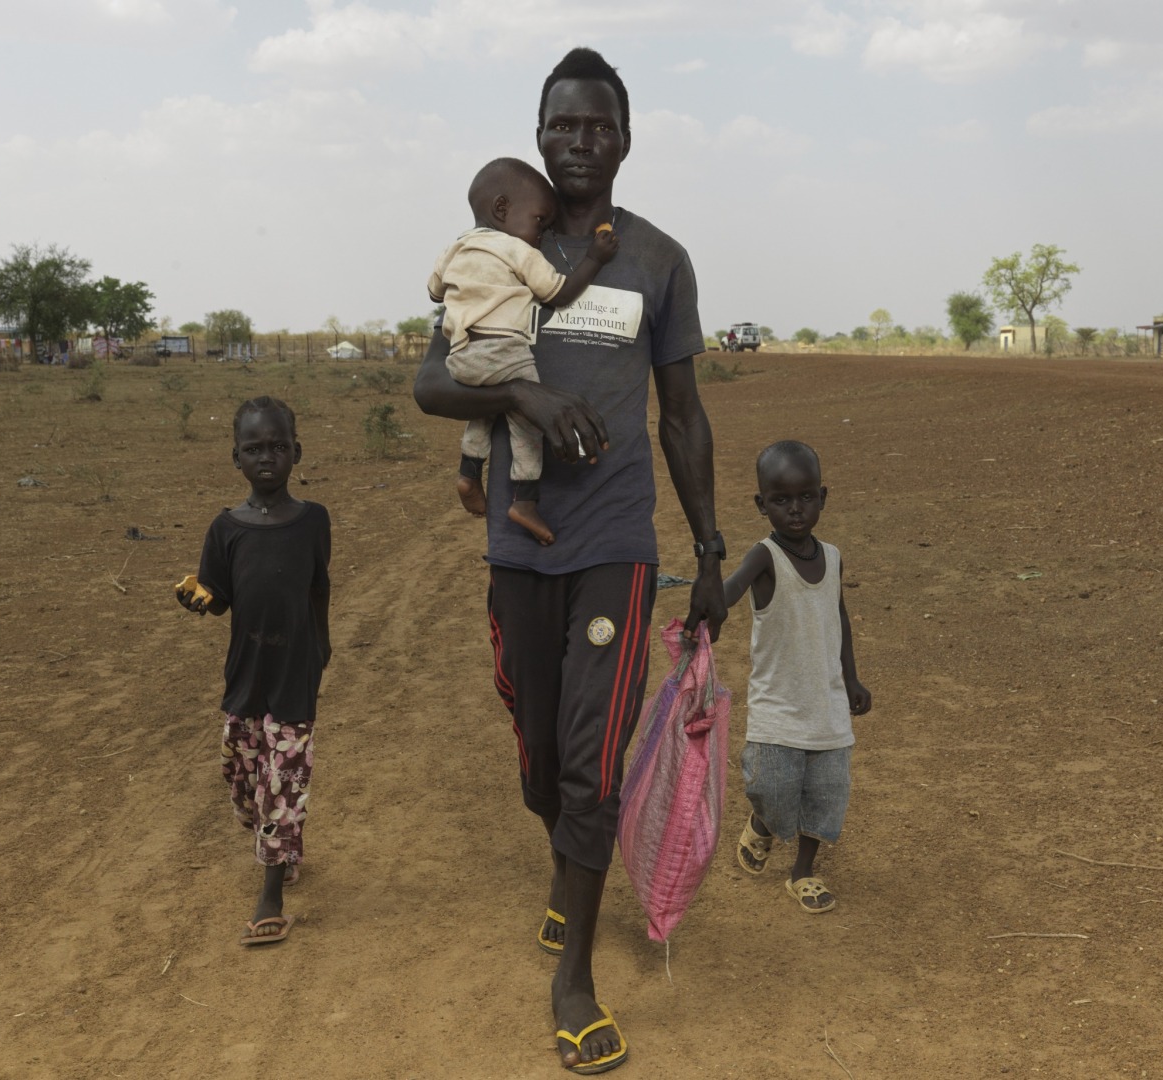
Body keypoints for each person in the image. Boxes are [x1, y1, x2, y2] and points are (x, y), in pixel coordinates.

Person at [414, 46, 725, 1075]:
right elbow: (430, 383)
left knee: (591, 763)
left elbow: (683, 416)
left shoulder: (660, 261)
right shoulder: (491, 245)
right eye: (564, 126)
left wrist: (713, 547)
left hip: (616, 546)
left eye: (599, 127)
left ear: (625, 141)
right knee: (541, 755)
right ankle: (565, 858)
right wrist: (526, 397)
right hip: (520, 539)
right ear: (539, 135)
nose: (581, 143)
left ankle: (574, 979)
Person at [175, 395, 332, 946]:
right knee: (244, 782)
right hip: (245, 677)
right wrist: (200, 601)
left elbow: (319, 587)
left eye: (278, 446)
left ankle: (271, 896)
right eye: (254, 448)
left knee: (283, 783)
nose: (268, 457)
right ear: (235, 457)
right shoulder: (225, 529)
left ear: (296, 451)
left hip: (295, 674)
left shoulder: (314, 520)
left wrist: (324, 644)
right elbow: (218, 597)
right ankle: (280, 841)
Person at [429, 157, 620, 546]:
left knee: (490, 406)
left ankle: (469, 471)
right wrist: (594, 258)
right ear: (503, 210)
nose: (541, 234)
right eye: (539, 222)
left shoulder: (455, 248)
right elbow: (561, 293)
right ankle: (525, 499)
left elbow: (434, 291)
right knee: (528, 418)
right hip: (504, 350)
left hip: (462, 356)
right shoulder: (517, 251)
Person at [721, 440, 872, 913]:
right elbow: (731, 590)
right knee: (771, 786)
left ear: (823, 497)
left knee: (826, 795)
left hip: (825, 701)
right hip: (778, 704)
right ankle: (763, 825)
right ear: (761, 503)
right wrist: (710, 596)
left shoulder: (833, 555)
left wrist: (851, 679)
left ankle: (803, 873)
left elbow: (839, 617)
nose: (795, 510)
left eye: (806, 497)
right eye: (781, 500)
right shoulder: (764, 556)